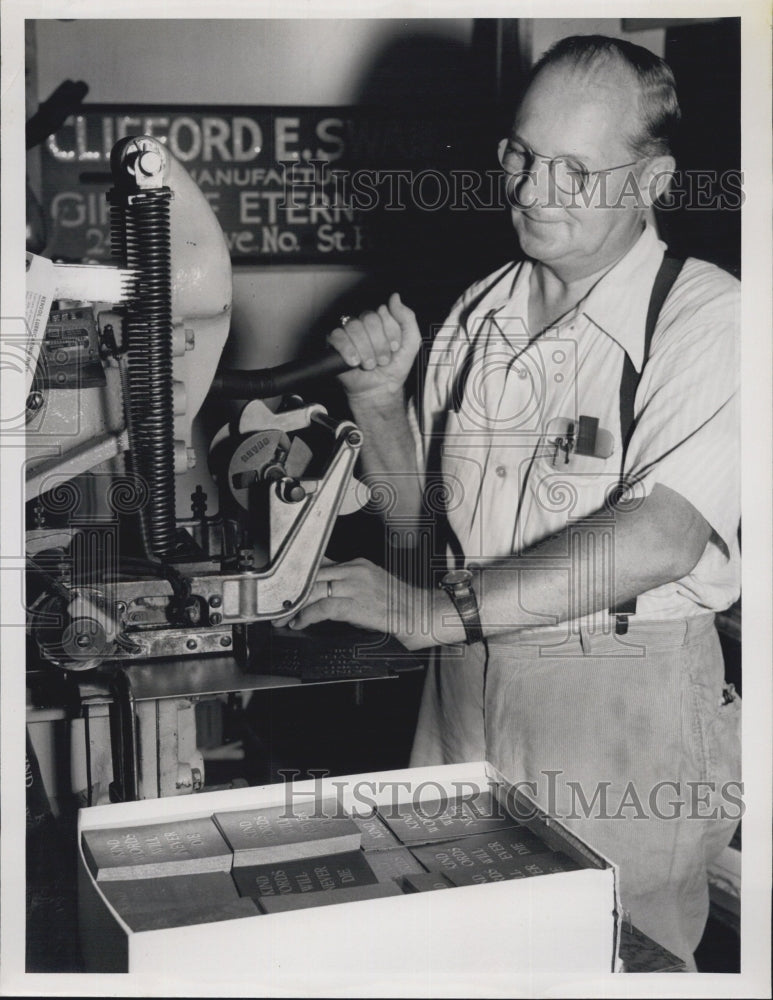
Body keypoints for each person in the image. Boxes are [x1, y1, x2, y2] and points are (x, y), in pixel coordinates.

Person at [286, 35, 741, 968]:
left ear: (650, 181)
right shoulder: (474, 314)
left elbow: (661, 535)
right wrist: (377, 404)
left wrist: (428, 610)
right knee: (448, 944)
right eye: (522, 156)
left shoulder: (710, 318)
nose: (532, 190)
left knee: (617, 959)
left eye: (573, 170)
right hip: (458, 681)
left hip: (619, 706)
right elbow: (420, 534)